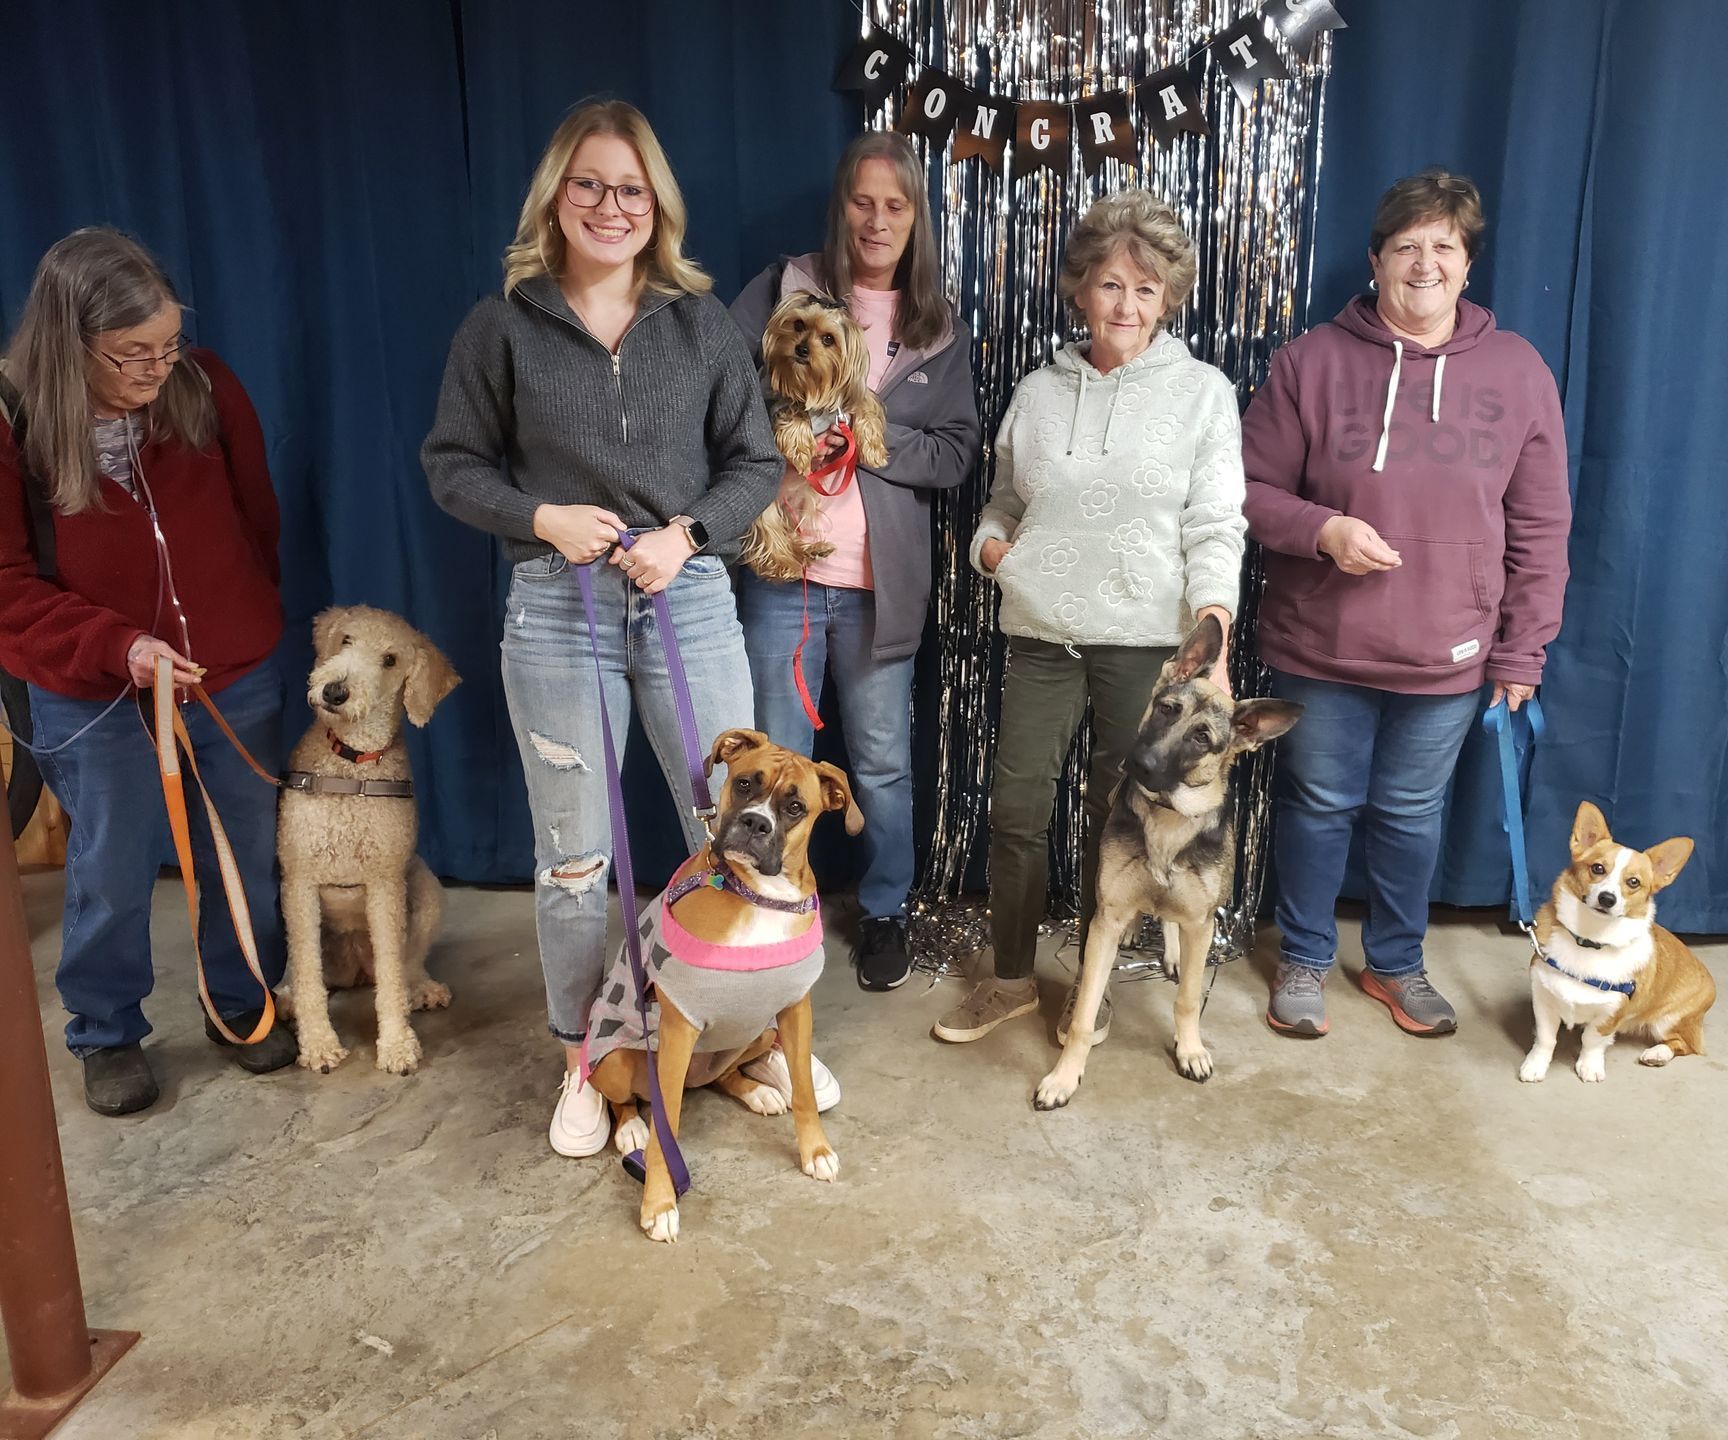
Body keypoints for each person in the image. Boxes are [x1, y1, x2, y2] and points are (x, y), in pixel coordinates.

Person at [423, 100, 789, 1159]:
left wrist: (689, 534)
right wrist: (540, 518)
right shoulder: (501, 326)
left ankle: (742, 1037)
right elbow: (453, 464)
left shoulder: (699, 325)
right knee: (576, 861)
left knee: (732, 833)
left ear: (657, 206)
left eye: (631, 189)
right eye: (589, 184)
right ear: (556, 197)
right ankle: (588, 1058)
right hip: (555, 610)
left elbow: (755, 463)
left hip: (689, 598)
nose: (610, 205)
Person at [1241, 167, 1572, 1039]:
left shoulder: (1519, 371)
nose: (1424, 264)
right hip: (1322, 646)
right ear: (1376, 260)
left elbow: (1541, 525)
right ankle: (1306, 957)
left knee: (1412, 813)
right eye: (1406, 247)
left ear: (1467, 265)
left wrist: (1523, 650)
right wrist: (1323, 532)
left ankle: (1395, 964)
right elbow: (1244, 489)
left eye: (1444, 248)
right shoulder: (1309, 362)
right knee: (1317, 805)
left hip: (1448, 653)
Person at [934, 189, 1247, 1046]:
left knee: (1113, 822)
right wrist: (994, 553)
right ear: (1081, 290)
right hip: (1044, 636)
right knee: (1015, 811)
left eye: (1146, 291)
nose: (1126, 306)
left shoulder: (1201, 394)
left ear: (1168, 299)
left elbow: (1216, 524)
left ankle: (1088, 986)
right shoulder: (1038, 392)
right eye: (1111, 285)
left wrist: (1212, 636)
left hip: (1152, 651)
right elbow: (1000, 503)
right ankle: (1007, 979)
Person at [0, 228, 296, 1116]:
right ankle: (106, 1032)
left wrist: (240, 621)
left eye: (168, 344)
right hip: (94, 688)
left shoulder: (205, 387)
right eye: (132, 353)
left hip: (225, 673)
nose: (158, 367)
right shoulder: (14, 420)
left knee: (244, 853)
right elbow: (6, 586)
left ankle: (241, 1003)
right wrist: (116, 645)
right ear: (68, 342)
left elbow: (257, 519)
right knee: (111, 864)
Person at [729, 132, 980, 993]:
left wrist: (869, 439)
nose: (878, 220)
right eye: (863, 201)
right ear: (841, 207)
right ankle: (768, 902)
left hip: (879, 589)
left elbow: (954, 457)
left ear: (918, 219)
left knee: (881, 767)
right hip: (779, 579)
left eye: (897, 205)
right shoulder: (782, 289)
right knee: (772, 759)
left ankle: (883, 912)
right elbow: (721, 397)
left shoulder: (937, 330)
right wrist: (784, 436)